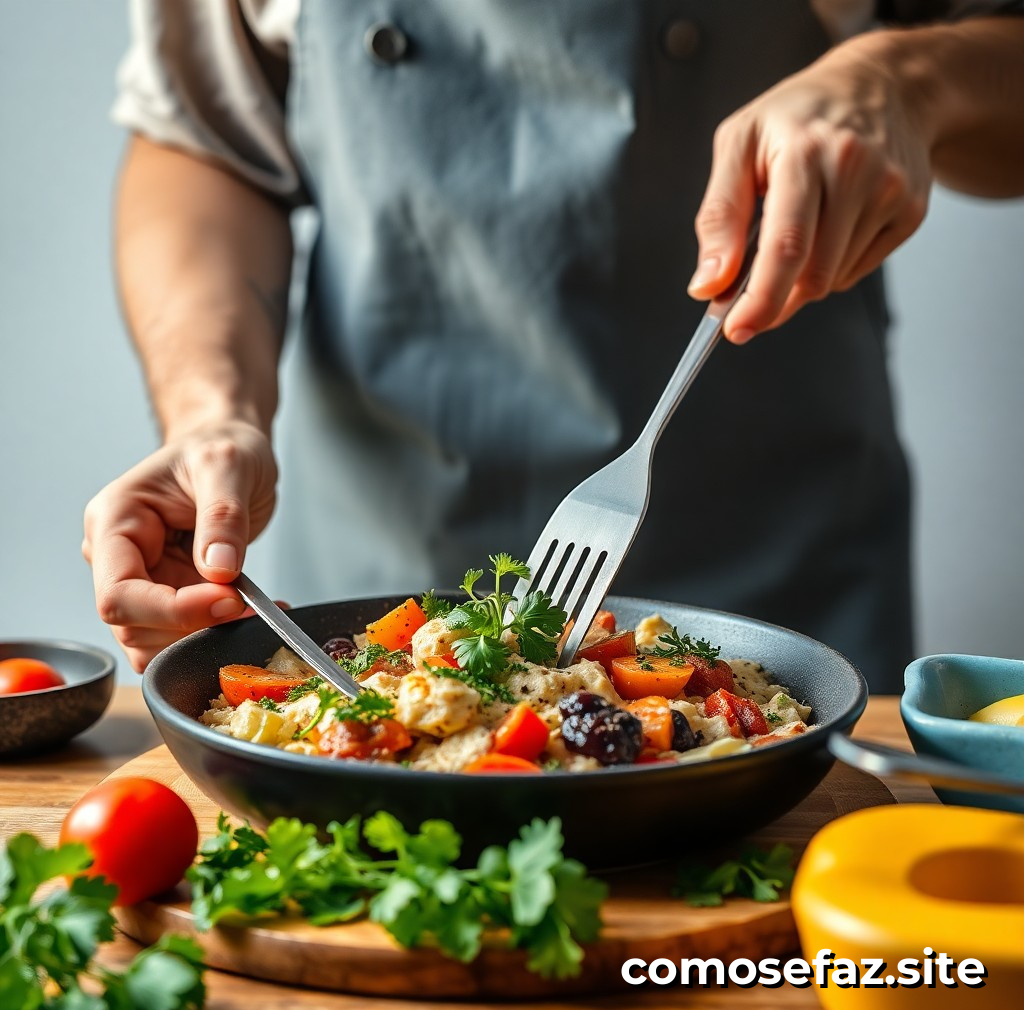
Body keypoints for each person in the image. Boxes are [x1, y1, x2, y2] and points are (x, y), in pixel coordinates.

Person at [84, 0, 1024, 693]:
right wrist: (213, 416)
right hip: (369, 589)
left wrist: (910, 78)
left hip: (781, 579)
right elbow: (204, 140)